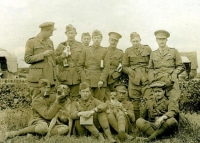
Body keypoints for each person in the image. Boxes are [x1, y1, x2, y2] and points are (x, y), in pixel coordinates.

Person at [4, 79, 69, 140]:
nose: (47, 90)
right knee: (43, 128)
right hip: (38, 121)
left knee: (65, 128)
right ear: (40, 88)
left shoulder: (53, 96)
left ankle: (36, 133)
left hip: (50, 123)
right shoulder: (36, 100)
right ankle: (15, 133)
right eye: (44, 88)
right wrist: (57, 101)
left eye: (48, 87)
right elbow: (47, 115)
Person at [122, 32, 152, 120]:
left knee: (149, 99)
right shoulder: (128, 51)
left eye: (137, 41)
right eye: (133, 41)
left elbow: (152, 63)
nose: (135, 43)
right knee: (135, 100)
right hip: (134, 78)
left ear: (140, 40)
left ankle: (148, 121)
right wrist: (131, 72)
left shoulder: (147, 48)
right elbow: (124, 66)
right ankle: (137, 122)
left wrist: (150, 74)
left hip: (146, 77)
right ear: (131, 41)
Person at [148, 30, 184, 101]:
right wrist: (152, 80)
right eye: (159, 39)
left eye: (163, 39)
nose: (161, 41)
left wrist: (174, 74)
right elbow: (150, 68)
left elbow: (181, 66)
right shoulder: (153, 53)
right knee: (159, 104)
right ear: (156, 40)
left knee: (173, 102)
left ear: (166, 40)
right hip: (158, 81)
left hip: (171, 81)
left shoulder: (174, 51)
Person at [24, 22, 56, 99]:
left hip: (49, 79)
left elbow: (53, 60)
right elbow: (27, 59)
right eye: (50, 32)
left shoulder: (50, 42)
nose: (52, 34)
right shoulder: (31, 42)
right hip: (37, 81)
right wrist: (43, 55)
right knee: (36, 102)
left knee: (48, 102)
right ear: (44, 31)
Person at [77, 30, 109, 101]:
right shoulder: (86, 50)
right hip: (88, 79)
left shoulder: (105, 51)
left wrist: (102, 80)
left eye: (98, 38)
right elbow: (79, 65)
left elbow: (106, 67)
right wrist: (84, 78)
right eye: (95, 38)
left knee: (99, 101)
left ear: (101, 39)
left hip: (99, 80)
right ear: (92, 39)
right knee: (87, 101)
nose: (96, 40)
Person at [55, 24, 84, 100]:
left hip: (76, 75)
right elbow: (54, 60)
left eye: (72, 33)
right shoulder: (61, 46)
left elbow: (84, 61)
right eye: (69, 33)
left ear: (76, 34)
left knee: (75, 98)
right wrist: (62, 56)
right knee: (63, 98)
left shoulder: (81, 46)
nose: (70, 35)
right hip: (64, 75)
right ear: (66, 34)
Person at [106, 32, 124, 101]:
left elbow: (123, 66)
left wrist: (117, 74)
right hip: (104, 76)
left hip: (114, 78)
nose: (113, 42)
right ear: (109, 40)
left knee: (116, 96)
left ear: (118, 41)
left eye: (115, 41)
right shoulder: (104, 50)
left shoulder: (121, 53)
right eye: (112, 40)